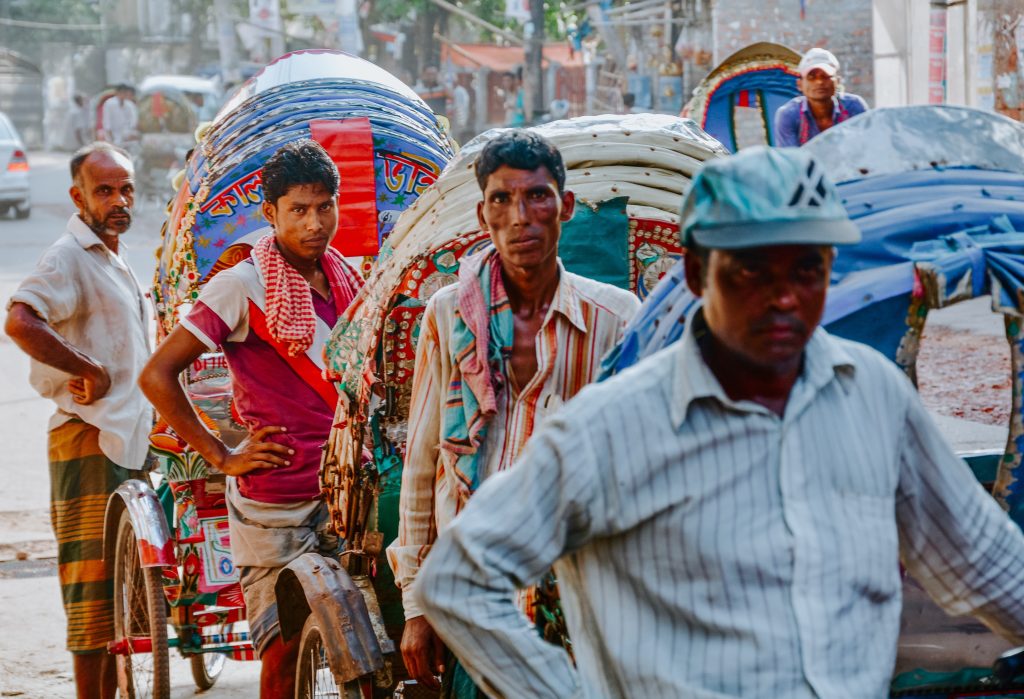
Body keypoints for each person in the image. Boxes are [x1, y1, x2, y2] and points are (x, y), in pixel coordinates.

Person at [413, 146, 1024, 698]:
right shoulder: (615, 424)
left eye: (806, 270)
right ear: (697, 273)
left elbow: (989, 565)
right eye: (753, 271)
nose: (784, 297)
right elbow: (463, 576)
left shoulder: (873, 396)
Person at [386, 129, 640, 696]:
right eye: (502, 199)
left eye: (537, 196)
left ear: (565, 207)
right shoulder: (448, 315)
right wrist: (416, 605)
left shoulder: (616, 320)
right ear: (483, 214)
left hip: (581, 596)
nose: (519, 216)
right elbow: (425, 463)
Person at [138, 139, 364, 698]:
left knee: (370, 643)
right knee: (284, 658)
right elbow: (156, 376)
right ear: (270, 213)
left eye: (325, 206)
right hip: (279, 499)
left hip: (354, 489)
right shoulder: (242, 285)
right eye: (299, 210)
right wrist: (221, 454)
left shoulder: (348, 277)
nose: (315, 223)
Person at [5, 142, 152, 699]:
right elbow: (21, 320)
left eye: (126, 188)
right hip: (87, 443)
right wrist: (83, 366)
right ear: (78, 197)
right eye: (105, 190)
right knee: (92, 595)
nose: (119, 200)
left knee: (122, 600)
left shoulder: (109, 255)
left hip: (123, 443)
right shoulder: (68, 255)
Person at [774, 47, 868, 147]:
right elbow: (791, 159)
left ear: (837, 81)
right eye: (811, 77)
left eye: (826, 76)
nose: (819, 82)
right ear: (800, 84)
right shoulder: (789, 114)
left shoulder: (854, 107)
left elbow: (867, 147)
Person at [99, 84, 138, 148]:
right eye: (122, 93)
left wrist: (131, 133)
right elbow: (107, 122)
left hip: (126, 136)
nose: (123, 95)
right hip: (113, 136)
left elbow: (133, 121)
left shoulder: (129, 105)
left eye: (125, 93)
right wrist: (111, 138)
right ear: (117, 93)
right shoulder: (109, 104)